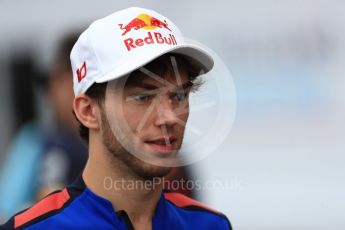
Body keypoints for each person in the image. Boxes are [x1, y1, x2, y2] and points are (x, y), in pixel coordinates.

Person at [1, 7, 232, 229]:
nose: (170, 117)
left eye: (179, 95)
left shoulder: (209, 224)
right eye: (143, 97)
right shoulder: (37, 227)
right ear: (88, 111)